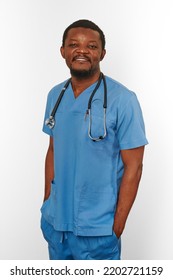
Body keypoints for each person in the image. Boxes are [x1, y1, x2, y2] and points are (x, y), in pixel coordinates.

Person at [40, 19, 148, 260]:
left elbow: (135, 166)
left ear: (102, 53)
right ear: (63, 52)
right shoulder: (55, 95)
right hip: (56, 223)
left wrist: (118, 224)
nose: (82, 51)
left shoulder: (123, 100)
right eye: (73, 44)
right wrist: (47, 202)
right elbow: (53, 150)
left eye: (91, 46)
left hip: (99, 228)